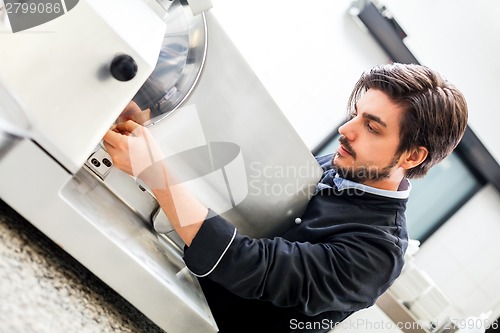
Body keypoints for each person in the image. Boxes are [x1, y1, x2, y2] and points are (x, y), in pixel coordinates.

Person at [102, 63, 468, 333]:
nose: (346, 130)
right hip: (184, 294)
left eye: (372, 127)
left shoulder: (376, 254)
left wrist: (155, 171)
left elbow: (251, 266)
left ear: (412, 156)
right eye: (355, 115)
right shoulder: (338, 166)